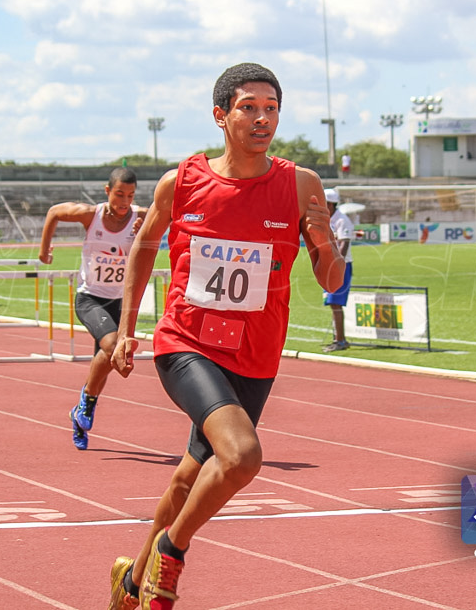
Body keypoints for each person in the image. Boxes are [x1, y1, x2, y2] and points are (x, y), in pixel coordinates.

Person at [107, 63, 344, 610]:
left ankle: (128, 584)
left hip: (256, 356)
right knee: (240, 458)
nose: (262, 118)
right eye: (249, 107)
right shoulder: (182, 180)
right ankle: (171, 555)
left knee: (190, 478)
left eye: (271, 108)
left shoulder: (301, 184)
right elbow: (142, 251)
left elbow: (330, 281)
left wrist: (326, 241)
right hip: (187, 343)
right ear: (220, 115)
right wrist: (126, 330)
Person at [38, 168, 145, 451]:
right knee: (112, 347)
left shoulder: (139, 215)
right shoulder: (90, 215)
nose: (124, 202)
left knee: (116, 361)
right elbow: (54, 213)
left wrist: (145, 225)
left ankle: (80, 414)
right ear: (107, 191)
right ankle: (87, 402)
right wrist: (44, 249)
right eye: (119, 194)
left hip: (120, 302)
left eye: (130, 196)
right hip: (91, 299)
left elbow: (172, 212)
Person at [321, 188, 354, 353]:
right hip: (330, 264)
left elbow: (344, 243)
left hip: (341, 265)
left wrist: (337, 263)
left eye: (324, 202)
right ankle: (337, 338)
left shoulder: (342, 220)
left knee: (335, 303)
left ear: (331, 204)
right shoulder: (327, 218)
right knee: (332, 303)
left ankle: (340, 340)